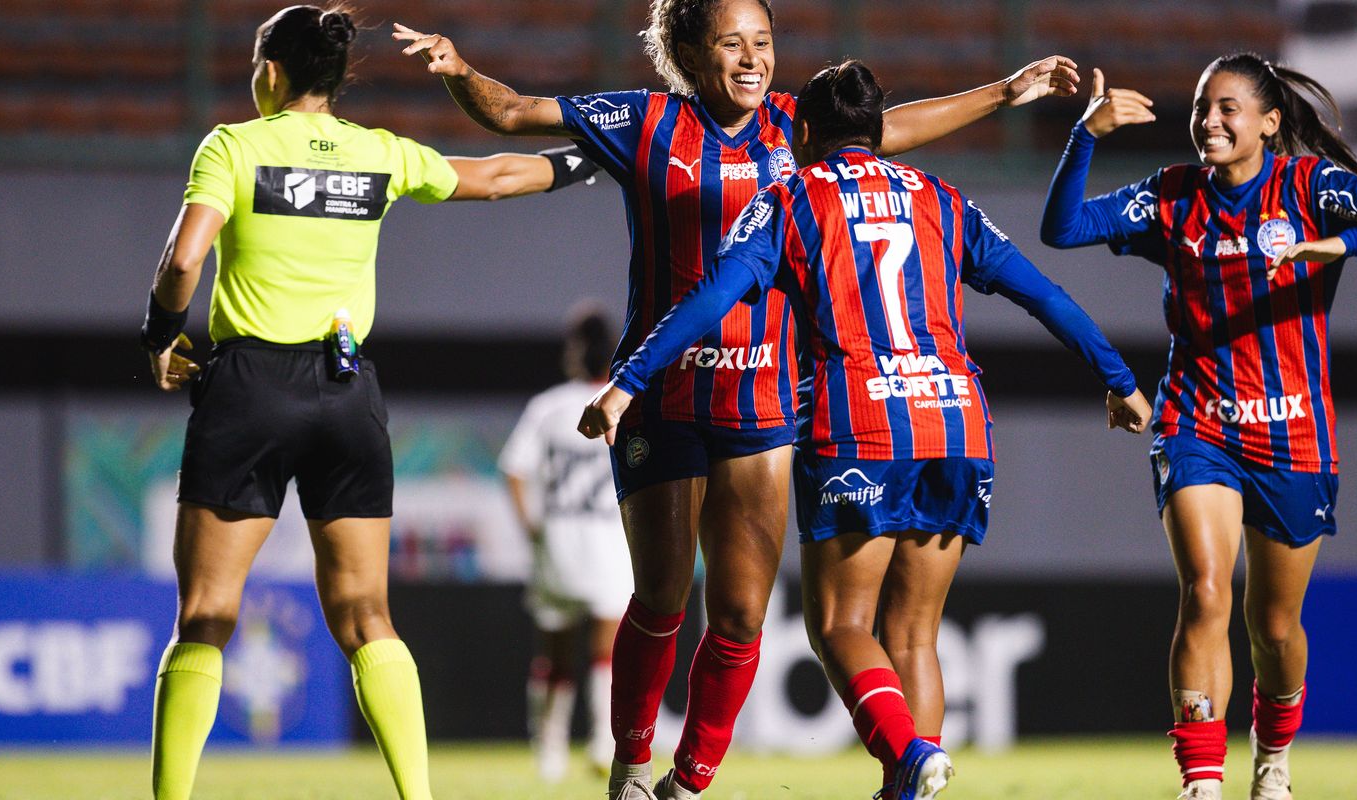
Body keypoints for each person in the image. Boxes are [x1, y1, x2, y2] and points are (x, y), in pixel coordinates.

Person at [393, 4, 1083, 797]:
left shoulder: (801, 127)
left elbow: (893, 129)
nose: (753, 59)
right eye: (732, 43)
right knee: (657, 596)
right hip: (662, 393)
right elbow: (514, 113)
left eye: (764, 41)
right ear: (688, 51)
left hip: (761, 402)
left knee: (743, 615)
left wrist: (1005, 91)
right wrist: (458, 72)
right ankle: (630, 766)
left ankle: (689, 784)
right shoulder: (645, 121)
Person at [580, 60, 1152, 800]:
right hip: (957, 425)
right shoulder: (941, 198)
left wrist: (629, 380)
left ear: (804, 132)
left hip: (861, 424)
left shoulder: (790, 195)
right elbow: (1043, 293)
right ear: (881, 132)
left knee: (841, 626)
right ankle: (907, 781)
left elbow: (711, 297)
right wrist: (1120, 379)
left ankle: (909, 756)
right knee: (913, 633)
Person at [137, 6, 598, 799]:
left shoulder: (235, 146)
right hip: (346, 396)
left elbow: (184, 259)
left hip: (250, 388)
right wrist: (596, 157)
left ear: (271, 73)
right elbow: (492, 177)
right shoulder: (378, 155)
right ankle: (416, 797)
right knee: (366, 616)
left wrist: (159, 336)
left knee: (207, 615)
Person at [1038, 55, 1357, 800]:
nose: (1209, 122)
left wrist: (1337, 243)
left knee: (1275, 630)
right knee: (1206, 590)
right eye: (1200, 108)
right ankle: (1200, 780)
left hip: (1294, 437)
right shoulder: (1172, 197)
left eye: (1227, 108)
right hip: (1197, 425)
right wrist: (1084, 137)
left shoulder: (1310, 189)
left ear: (1269, 122)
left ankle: (1273, 757)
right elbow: (1061, 228)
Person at [499, 302, 635, 782]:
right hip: (609, 540)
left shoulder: (549, 406)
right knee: (607, 649)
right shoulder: (623, 401)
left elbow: (513, 468)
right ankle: (604, 741)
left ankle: (549, 749)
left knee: (555, 654)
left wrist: (531, 525)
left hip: (557, 539)